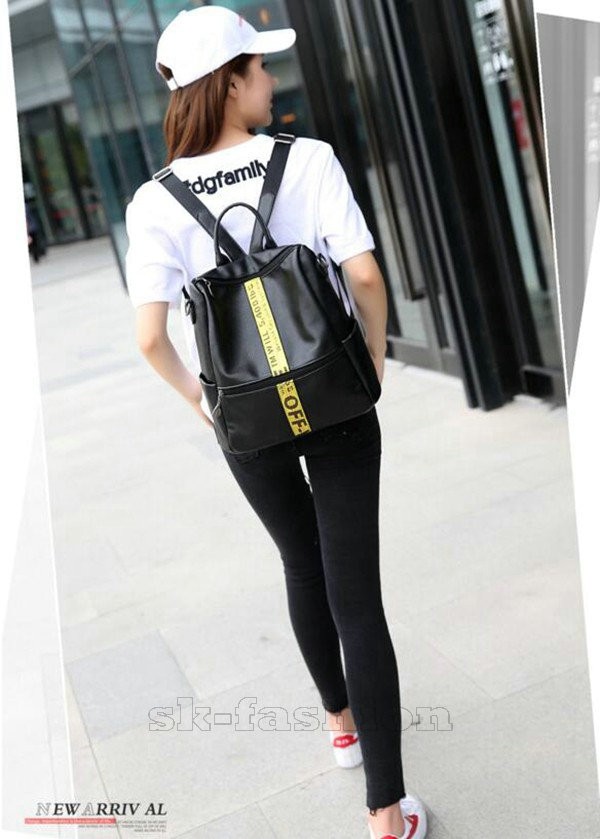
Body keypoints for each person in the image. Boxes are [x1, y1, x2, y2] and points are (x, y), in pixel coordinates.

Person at [124, 7, 427, 838]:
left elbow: (149, 337)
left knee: (301, 562)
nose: (271, 79)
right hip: (333, 395)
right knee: (357, 598)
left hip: (248, 417)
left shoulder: (153, 201)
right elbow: (365, 276)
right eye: (259, 68)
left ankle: (342, 726)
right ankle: (387, 812)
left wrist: (204, 403)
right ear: (229, 82)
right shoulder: (309, 159)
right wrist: (371, 360)